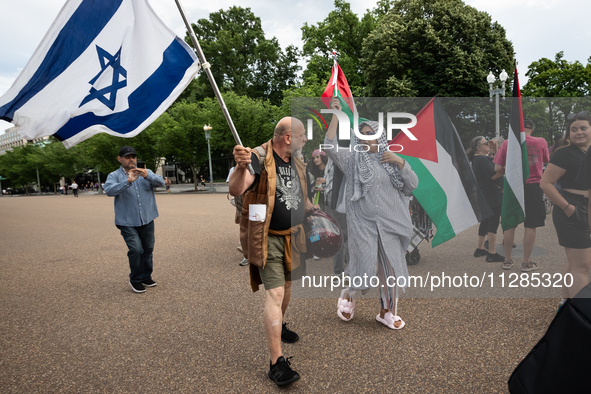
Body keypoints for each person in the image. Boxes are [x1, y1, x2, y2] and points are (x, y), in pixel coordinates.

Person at [229, 117, 315, 387]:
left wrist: (315, 211)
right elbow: (236, 188)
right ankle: (276, 363)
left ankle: (281, 323)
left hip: (295, 236)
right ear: (288, 137)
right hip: (268, 238)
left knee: (287, 287)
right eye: (302, 136)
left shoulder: (298, 162)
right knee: (276, 292)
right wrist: (240, 167)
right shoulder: (257, 156)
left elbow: (303, 194)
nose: (304, 141)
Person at [325, 97, 418, 330]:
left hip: (391, 224)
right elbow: (330, 147)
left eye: (371, 133)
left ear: (380, 136)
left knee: (389, 269)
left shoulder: (392, 161)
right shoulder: (353, 160)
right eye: (363, 134)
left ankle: (386, 311)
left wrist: (400, 162)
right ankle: (348, 294)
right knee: (364, 265)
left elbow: (412, 185)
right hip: (363, 223)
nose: (367, 137)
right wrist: (336, 117)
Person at [542, 111, 591, 310]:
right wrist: (568, 208)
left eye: (583, 128)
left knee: (574, 263)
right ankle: (582, 316)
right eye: (574, 129)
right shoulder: (564, 153)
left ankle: (565, 303)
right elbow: (545, 183)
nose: (579, 132)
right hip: (572, 208)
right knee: (583, 266)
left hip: (586, 208)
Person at [104, 146, 165, 293]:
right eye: (127, 157)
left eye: (133, 156)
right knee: (136, 249)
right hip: (127, 221)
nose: (131, 159)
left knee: (148, 249)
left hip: (147, 218)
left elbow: (161, 183)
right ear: (120, 159)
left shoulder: (146, 172)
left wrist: (147, 175)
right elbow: (109, 190)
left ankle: (146, 276)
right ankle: (136, 279)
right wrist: (128, 181)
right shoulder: (114, 175)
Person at [494, 117, 550, 271]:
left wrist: (511, 172)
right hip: (533, 186)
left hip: (514, 186)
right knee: (531, 225)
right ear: (531, 129)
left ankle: (507, 260)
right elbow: (546, 160)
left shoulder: (507, 143)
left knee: (510, 223)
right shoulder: (541, 142)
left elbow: (498, 168)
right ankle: (526, 262)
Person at [467, 136, 504, 262]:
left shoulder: (478, 158)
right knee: (493, 222)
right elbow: (494, 174)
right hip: (492, 194)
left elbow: (494, 162)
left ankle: (480, 248)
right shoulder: (482, 159)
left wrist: (496, 149)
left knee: (485, 221)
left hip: (485, 193)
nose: (488, 145)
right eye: (485, 143)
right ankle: (492, 252)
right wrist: (503, 170)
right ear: (478, 147)